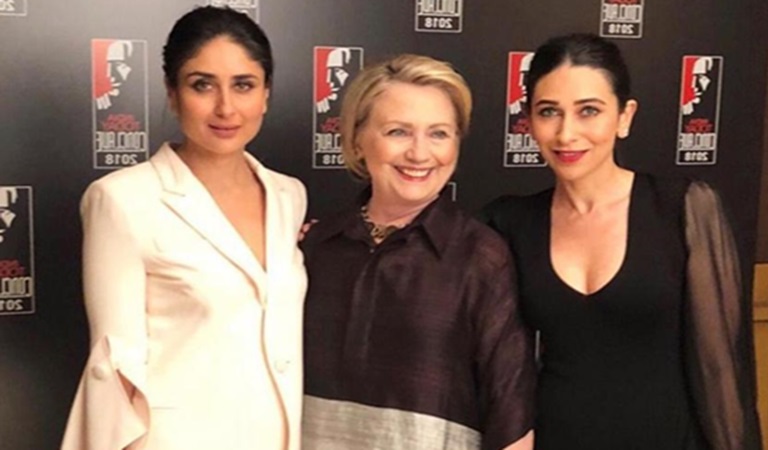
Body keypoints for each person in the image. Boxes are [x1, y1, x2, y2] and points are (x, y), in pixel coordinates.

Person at [482, 33, 762, 450]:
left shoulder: (684, 208)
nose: (566, 133)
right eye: (548, 112)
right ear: (529, 120)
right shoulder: (509, 221)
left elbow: (723, 372)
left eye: (589, 111)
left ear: (624, 116)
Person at [62, 6, 307, 450]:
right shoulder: (122, 200)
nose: (226, 107)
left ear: (266, 94)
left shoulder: (288, 196)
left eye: (244, 85)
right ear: (172, 94)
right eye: (202, 85)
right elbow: (115, 373)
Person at [301, 54, 535, 450]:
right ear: (357, 139)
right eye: (398, 131)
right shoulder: (314, 249)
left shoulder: (481, 258)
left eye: (439, 134)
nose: (420, 153)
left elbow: (510, 417)